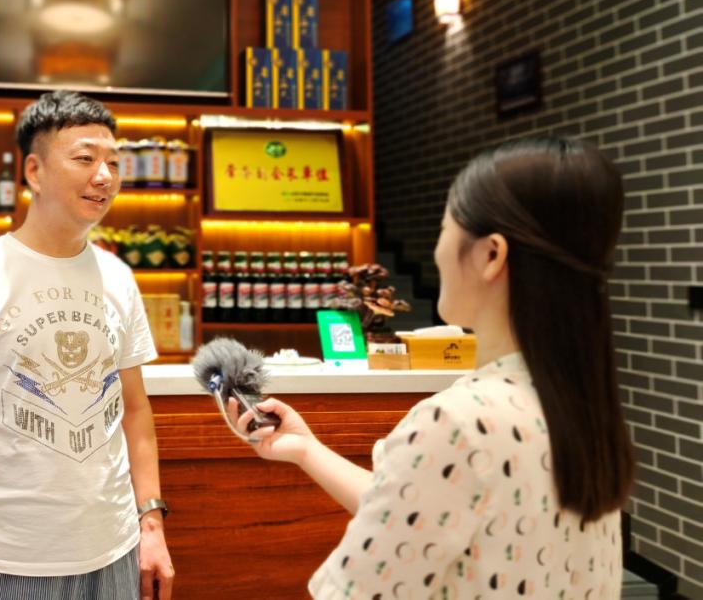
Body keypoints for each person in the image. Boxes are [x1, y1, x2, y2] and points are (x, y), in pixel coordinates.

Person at [229, 137, 635, 598]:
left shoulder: (458, 422)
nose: (438, 250)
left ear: (491, 255)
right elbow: (428, 512)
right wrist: (307, 450)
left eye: (444, 229)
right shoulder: (580, 405)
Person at [0, 90, 175, 600]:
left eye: (113, 162)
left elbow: (134, 411)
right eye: (84, 159)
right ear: (34, 172)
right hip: (8, 561)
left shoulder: (118, 278)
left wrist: (151, 524)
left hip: (116, 549)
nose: (104, 176)